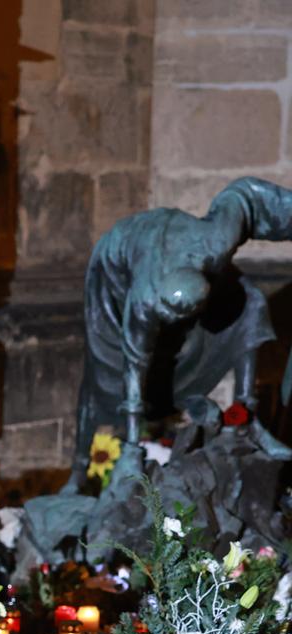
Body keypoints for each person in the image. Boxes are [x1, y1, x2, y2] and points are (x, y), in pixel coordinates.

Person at [64, 176, 292, 492]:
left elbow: (243, 195)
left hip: (184, 257)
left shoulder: (217, 241)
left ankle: (246, 421)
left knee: (251, 306)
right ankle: (78, 472)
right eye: (168, 314)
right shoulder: (143, 299)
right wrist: (131, 449)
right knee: (104, 376)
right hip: (113, 270)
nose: (170, 322)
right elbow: (134, 364)